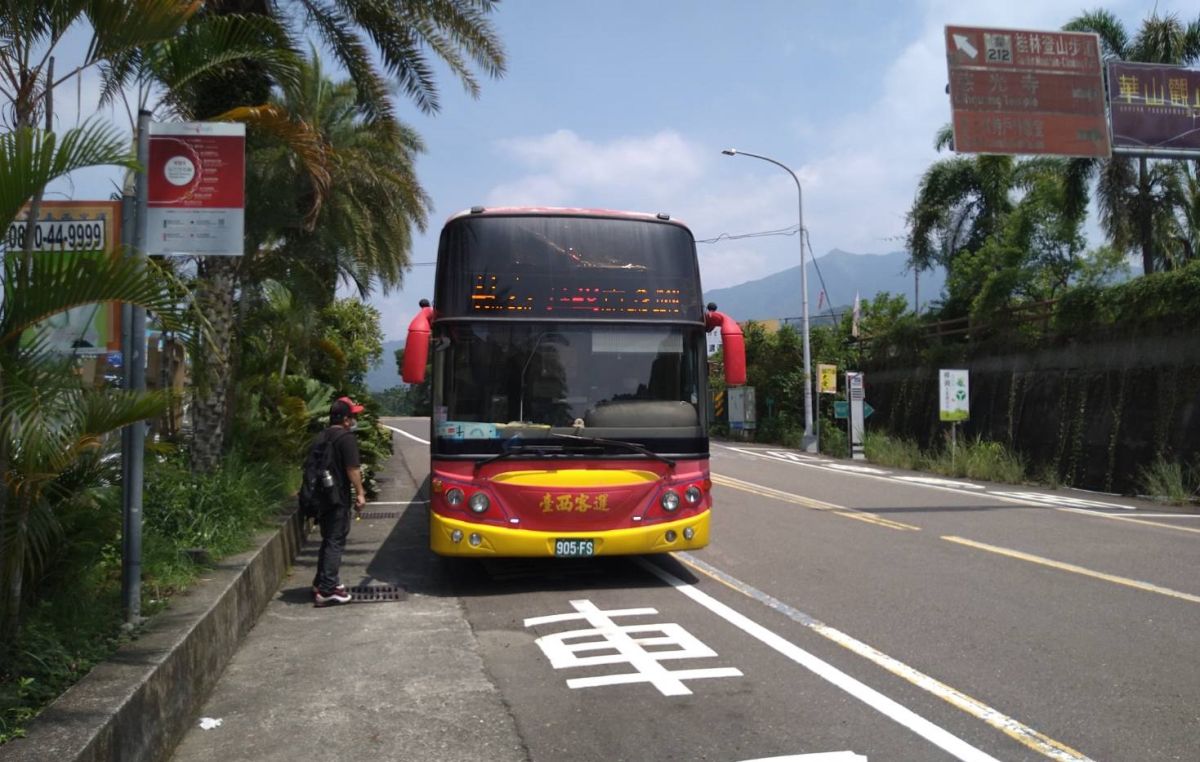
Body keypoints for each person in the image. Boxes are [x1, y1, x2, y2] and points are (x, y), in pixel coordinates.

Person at [312, 396, 367, 606]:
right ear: (345, 419)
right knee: (335, 541)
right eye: (352, 416)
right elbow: (352, 469)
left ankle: (321, 582)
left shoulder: (321, 436)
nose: (353, 420)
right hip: (337, 498)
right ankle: (327, 590)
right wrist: (360, 493)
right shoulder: (346, 438)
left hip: (321, 498)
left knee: (328, 540)